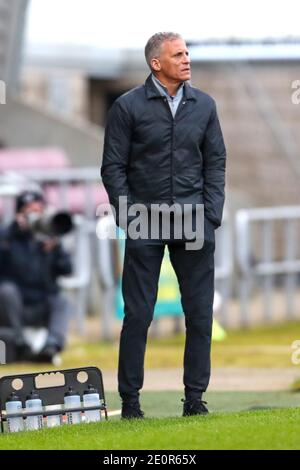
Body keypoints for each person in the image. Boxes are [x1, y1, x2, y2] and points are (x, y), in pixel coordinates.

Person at [101, 32, 226, 418]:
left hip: (193, 223)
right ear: (157, 63)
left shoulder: (204, 105)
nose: (187, 59)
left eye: (187, 52)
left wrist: (210, 215)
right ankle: (131, 403)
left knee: (200, 313)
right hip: (145, 222)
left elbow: (215, 162)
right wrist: (128, 216)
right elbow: (113, 168)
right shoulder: (127, 107)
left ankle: (194, 399)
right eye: (178, 54)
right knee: (139, 314)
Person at [0, 190, 72, 363]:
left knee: (62, 302)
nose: (35, 215)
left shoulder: (49, 238)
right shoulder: (7, 237)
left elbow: (67, 269)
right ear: (20, 214)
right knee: (6, 291)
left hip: (41, 303)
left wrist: (55, 248)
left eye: (39, 210)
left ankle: (52, 346)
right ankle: (20, 344)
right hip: (14, 306)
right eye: (30, 210)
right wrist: (14, 232)